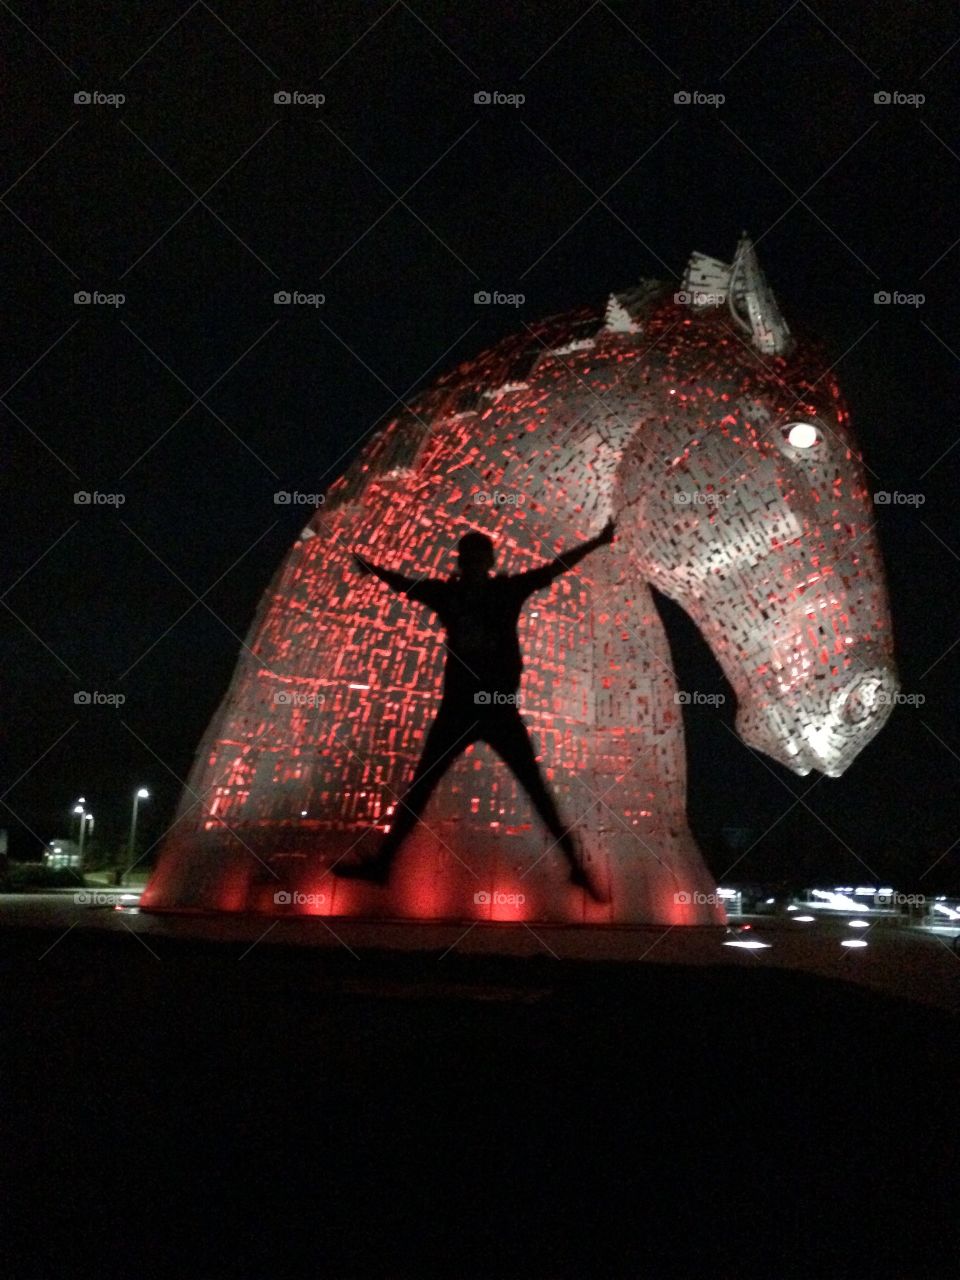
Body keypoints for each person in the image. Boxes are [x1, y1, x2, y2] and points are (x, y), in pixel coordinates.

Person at [332, 521, 615, 900]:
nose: (475, 565)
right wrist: (374, 570)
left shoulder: (505, 590)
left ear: (489, 562)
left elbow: (555, 568)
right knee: (420, 788)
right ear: (463, 562)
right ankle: (383, 864)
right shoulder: (448, 595)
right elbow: (406, 585)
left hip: (497, 708)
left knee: (536, 790)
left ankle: (576, 869)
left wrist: (595, 541)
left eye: (481, 558)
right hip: (460, 708)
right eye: (470, 558)